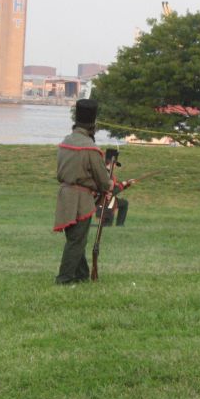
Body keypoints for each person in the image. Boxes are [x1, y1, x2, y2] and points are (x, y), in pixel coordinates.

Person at [53, 99, 114, 284]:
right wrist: (108, 185)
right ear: (92, 125)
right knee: (76, 241)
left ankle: (82, 275)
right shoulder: (90, 148)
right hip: (81, 200)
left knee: (75, 238)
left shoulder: (65, 142)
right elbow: (102, 180)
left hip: (65, 196)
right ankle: (64, 279)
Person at [98, 149, 134, 227]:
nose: (115, 166)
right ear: (111, 163)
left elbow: (115, 188)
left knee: (124, 203)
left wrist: (126, 184)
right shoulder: (106, 174)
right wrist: (122, 184)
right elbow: (111, 192)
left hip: (110, 200)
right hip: (103, 202)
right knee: (106, 225)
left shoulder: (108, 173)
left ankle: (120, 225)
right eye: (114, 164)